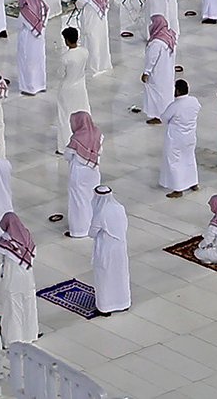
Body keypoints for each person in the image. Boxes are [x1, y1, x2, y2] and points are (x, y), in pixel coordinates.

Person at [0, 212, 39, 345]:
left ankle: (13, 339)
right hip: (28, 278)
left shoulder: (5, 241)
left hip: (12, 280)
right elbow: (33, 254)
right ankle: (30, 335)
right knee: (29, 307)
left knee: (13, 310)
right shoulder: (27, 237)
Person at [89, 186, 131, 315]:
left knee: (105, 276)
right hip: (120, 247)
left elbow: (92, 232)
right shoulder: (119, 207)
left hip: (106, 249)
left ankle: (106, 306)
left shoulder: (101, 212)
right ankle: (122, 302)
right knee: (120, 274)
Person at [65, 111, 103, 239]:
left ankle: (79, 230)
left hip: (79, 174)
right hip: (93, 171)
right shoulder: (97, 133)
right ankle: (93, 226)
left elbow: (68, 155)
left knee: (78, 201)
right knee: (91, 199)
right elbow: (99, 150)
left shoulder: (77, 139)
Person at [160, 79, 201, 198]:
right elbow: (198, 108)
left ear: (177, 91)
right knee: (189, 159)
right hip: (190, 137)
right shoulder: (194, 101)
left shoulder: (175, 105)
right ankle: (193, 182)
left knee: (174, 162)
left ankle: (178, 188)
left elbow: (163, 118)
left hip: (176, 140)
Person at [56, 27, 91, 153]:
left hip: (67, 88)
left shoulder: (65, 57)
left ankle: (64, 145)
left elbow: (60, 74)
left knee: (65, 116)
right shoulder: (84, 52)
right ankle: (85, 140)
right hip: (80, 86)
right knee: (83, 112)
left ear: (66, 40)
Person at [142, 15, 177, 123]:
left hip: (157, 73)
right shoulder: (169, 36)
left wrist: (146, 72)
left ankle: (158, 116)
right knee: (165, 92)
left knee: (156, 94)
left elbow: (151, 59)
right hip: (167, 71)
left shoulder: (157, 43)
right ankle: (166, 113)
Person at [79, 0, 112, 77]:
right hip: (101, 23)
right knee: (101, 42)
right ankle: (103, 65)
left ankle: (93, 68)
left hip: (91, 24)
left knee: (92, 45)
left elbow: (79, 4)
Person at [15, 0, 47, 95]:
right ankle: (41, 84)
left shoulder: (24, 12)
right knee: (39, 60)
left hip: (27, 39)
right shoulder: (43, 6)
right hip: (40, 38)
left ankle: (29, 87)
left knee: (27, 62)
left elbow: (19, 25)